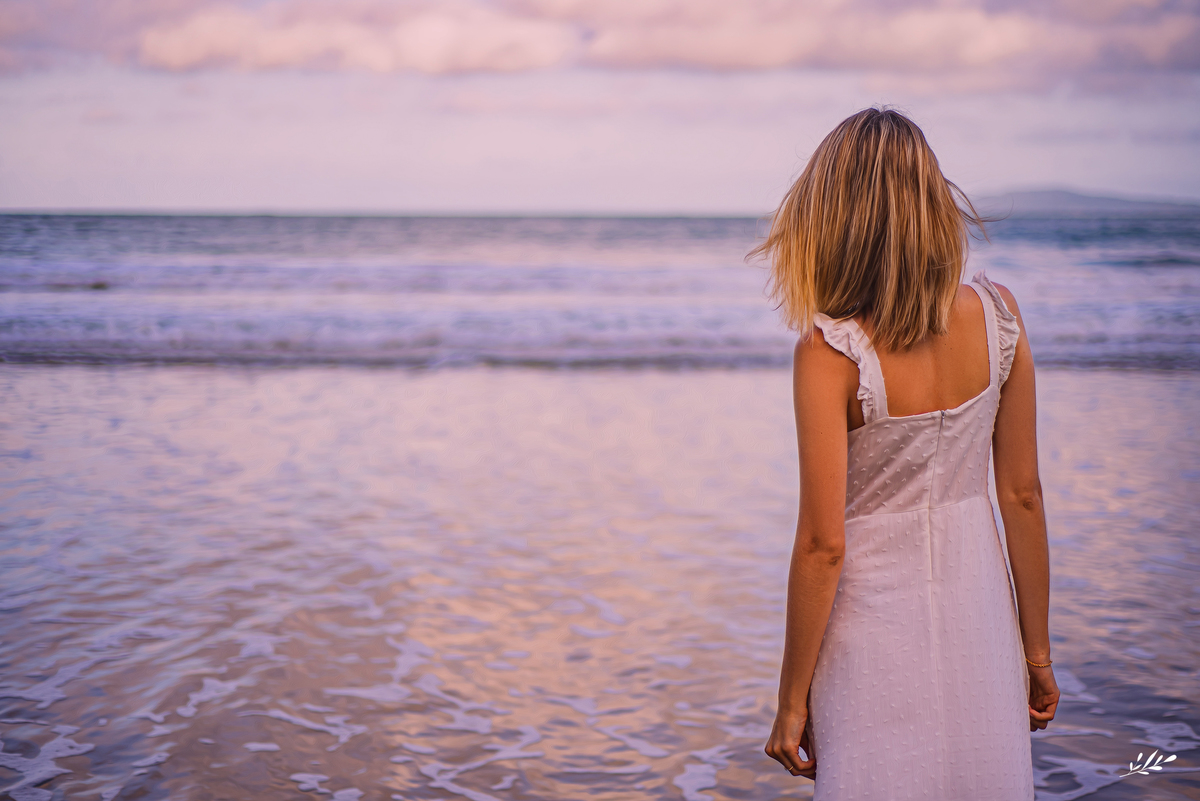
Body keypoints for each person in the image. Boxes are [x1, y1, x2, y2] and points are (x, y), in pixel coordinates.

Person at [755, 108, 1060, 799]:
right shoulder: (1000, 316)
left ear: (834, 217)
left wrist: (791, 701)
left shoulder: (830, 351)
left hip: (871, 632)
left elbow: (822, 545)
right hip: (981, 616)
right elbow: (1023, 495)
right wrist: (1036, 652)